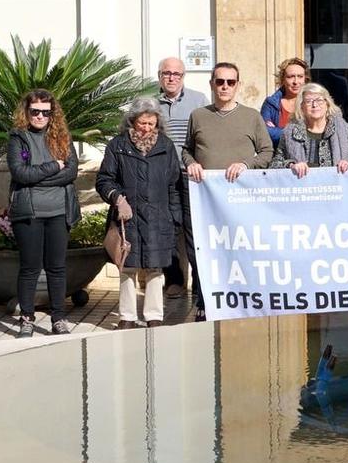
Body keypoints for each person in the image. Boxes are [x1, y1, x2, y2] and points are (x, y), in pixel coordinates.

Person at [184, 62, 275, 318]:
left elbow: (267, 152)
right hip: (207, 201)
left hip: (241, 201)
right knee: (207, 252)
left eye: (230, 82)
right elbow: (186, 150)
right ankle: (205, 303)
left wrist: (246, 164)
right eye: (220, 82)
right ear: (212, 84)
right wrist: (191, 164)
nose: (225, 87)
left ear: (238, 85)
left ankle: (244, 301)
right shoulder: (198, 116)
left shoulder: (251, 116)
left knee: (241, 251)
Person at [95, 97, 186, 328]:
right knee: (127, 266)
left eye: (151, 124)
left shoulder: (165, 146)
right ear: (132, 121)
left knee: (155, 267)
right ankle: (127, 317)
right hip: (128, 218)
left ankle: (154, 315)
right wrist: (116, 197)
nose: (146, 128)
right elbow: (104, 179)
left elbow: (174, 186)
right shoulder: (118, 145)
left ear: (157, 124)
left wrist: (175, 218)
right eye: (142, 123)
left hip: (159, 217)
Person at [6, 88, 81, 338]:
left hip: (59, 211)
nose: (40, 117)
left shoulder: (62, 137)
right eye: (35, 111)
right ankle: (27, 317)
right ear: (26, 112)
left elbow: (71, 172)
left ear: (53, 114)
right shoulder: (18, 138)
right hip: (29, 212)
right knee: (29, 267)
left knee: (57, 268)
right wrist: (52, 167)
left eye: (45, 113)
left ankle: (58, 318)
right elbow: (20, 174)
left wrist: (38, 177)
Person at [153, 56, 205, 297]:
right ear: (159, 76)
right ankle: (174, 280)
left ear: (184, 77)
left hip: (190, 174)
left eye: (177, 74)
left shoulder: (199, 101)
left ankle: (200, 281)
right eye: (167, 73)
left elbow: (204, 138)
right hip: (161, 177)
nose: (172, 78)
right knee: (169, 228)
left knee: (194, 228)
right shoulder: (150, 103)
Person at [280, 82, 348, 175]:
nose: (314, 105)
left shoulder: (347, 130)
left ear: (327, 104)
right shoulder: (289, 133)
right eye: (309, 101)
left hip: (337, 187)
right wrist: (291, 165)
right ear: (301, 107)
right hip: (303, 187)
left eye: (319, 100)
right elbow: (275, 164)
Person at [260, 57, 310, 144]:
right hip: (278, 155)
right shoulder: (271, 103)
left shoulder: (315, 103)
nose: (296, 81)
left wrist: (278, 131)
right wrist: (300, 133)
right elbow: (264, 132)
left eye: (300, 76)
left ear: (305, 79)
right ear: (282, 79)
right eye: (290, 77)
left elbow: (317, 132)